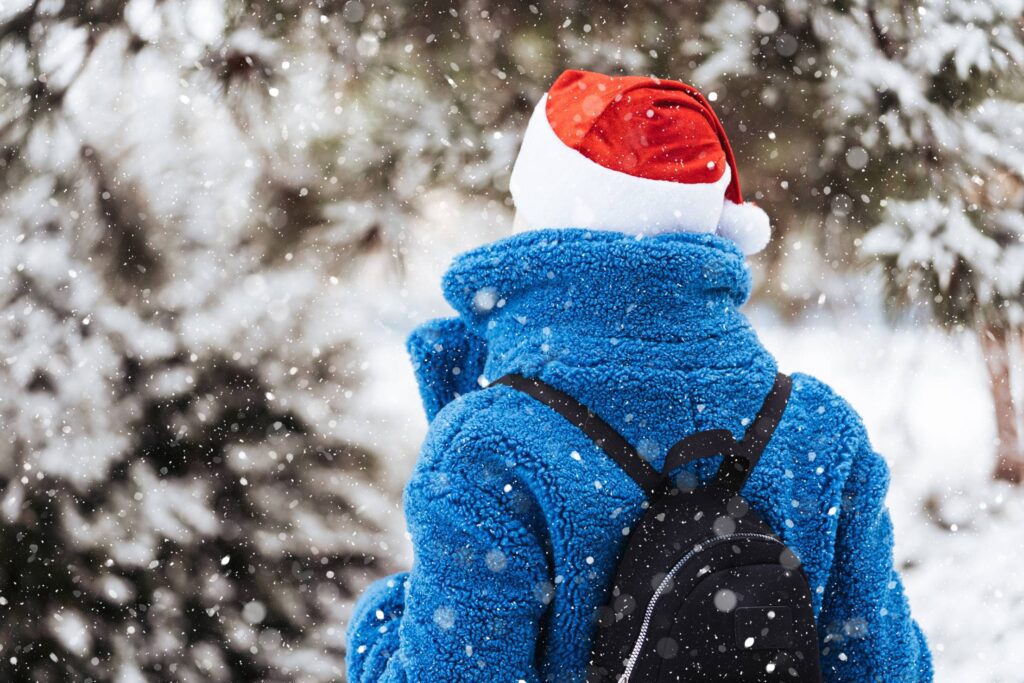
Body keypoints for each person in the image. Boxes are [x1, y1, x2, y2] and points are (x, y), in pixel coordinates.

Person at [345, 70, 932, 682]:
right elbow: (887, 669)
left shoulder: (489, 447)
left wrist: (382, 622)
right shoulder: (819, 431)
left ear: (545, 220)